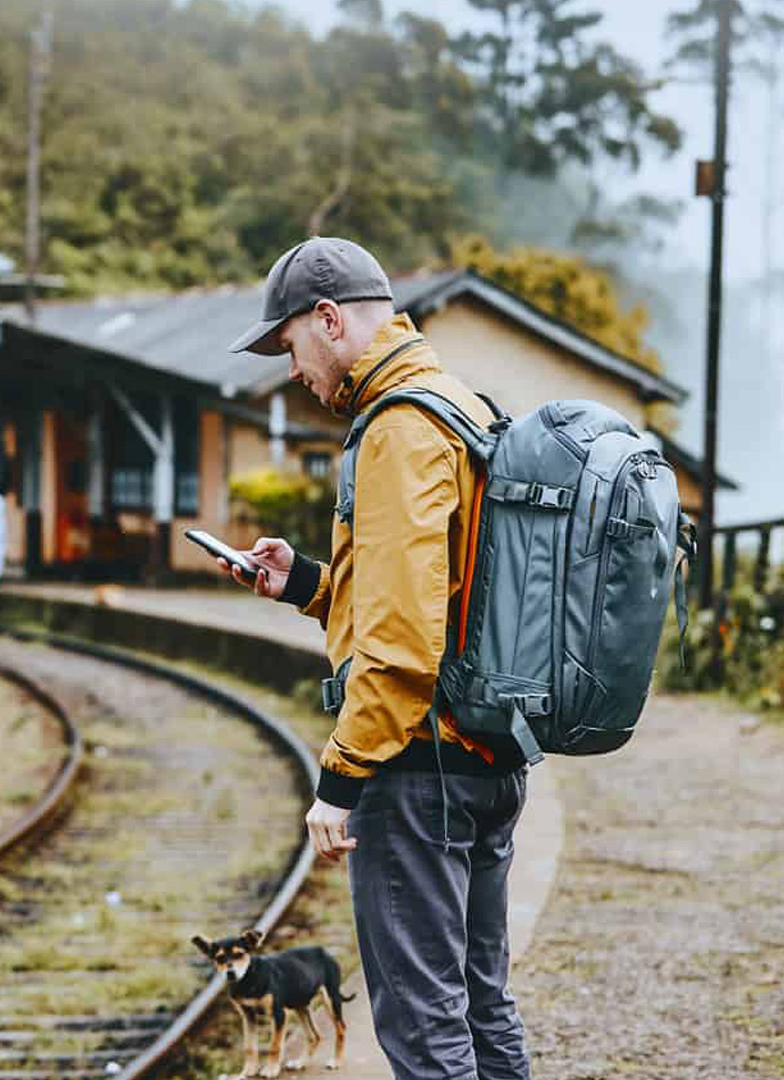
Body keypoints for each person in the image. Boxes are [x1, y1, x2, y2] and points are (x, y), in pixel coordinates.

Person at [221, 237, 532, 1080]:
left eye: (288, 345)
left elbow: (400, 643)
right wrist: (308, 586)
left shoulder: (397, 431)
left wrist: (341, 779)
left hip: (417, 766)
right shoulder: (459, 404)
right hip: (486, 757)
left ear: (327, 320)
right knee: (480, 1003)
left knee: (424, 1025)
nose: (291, 370)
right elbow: (442, 594)